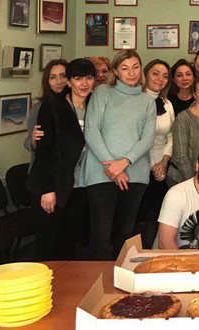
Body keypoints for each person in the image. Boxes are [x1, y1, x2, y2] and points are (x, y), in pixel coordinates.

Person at [82, 49, 156, 260]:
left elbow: (147, 139)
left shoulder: (147, 101)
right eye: (125, 68)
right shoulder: (102, 92)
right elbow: (92, 131)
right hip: (101, 173)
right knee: (101, 236)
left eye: (135, 67)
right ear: (115, 71)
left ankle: (120, 280)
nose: (131, 73)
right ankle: (98, 280)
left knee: (125, 235)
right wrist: (112, 166)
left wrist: (124, 162)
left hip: (135, 174)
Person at [26, 58, 95, 260]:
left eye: (88, 78)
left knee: (69, 242)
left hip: (79, 184)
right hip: (53, 184)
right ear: (70, 82)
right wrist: (47, 190)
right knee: (48, 243)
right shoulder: (51, 107)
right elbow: (44, 152)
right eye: (77, 78)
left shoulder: (95, 104)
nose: (83, 83)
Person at [136, 59, 175, 249]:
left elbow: (172, 136)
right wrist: (153, 165)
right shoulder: (135, 101)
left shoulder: (167, 104)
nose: (160, 79)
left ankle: (151, 255)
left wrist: (164, 162)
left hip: (162, 167)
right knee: (137, 216)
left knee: (155, 216)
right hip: (138, 165)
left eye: (165, 76)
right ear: (145, 75)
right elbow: (138, 138)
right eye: (155, 73)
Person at [24, 59, 68, 167]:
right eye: (53, 77)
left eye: (63, 76)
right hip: (46, 169)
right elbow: (28, 143)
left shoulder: (81, 104)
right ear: (47, 82)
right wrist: (34, 141)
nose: (59, 81)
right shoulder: (40, 108)